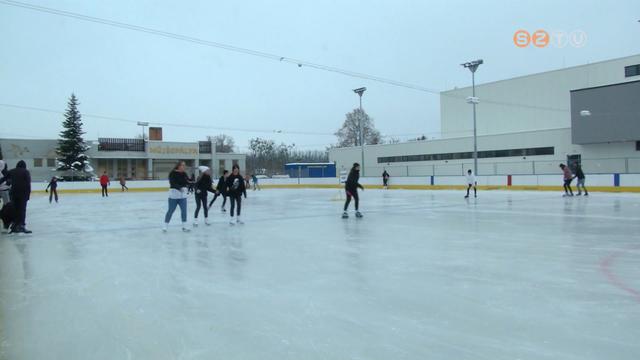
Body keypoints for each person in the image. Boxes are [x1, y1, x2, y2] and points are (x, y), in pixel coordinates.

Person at [163, 161, 191, 232]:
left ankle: (184, 227)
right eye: (183, 165)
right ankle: (165, 225)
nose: (184, 167)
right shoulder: (172, 173)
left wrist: (193, 182)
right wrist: (179, 188)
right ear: (178, 166)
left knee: (184, 211)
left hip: (182, 196)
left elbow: (187, 181)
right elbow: (172, 183)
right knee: (171, 210)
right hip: (174, 196)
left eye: (185, 165)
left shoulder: (184, 174)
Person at [7, 160, 31, 234]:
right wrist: (28, 195)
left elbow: (6, 180)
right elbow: (28, 184)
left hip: (13, 193)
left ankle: (14, 226)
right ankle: (21, 226)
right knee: (22, 210)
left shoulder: (11, 171)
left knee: (15, 209)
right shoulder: (26, 172)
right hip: (23, 194)